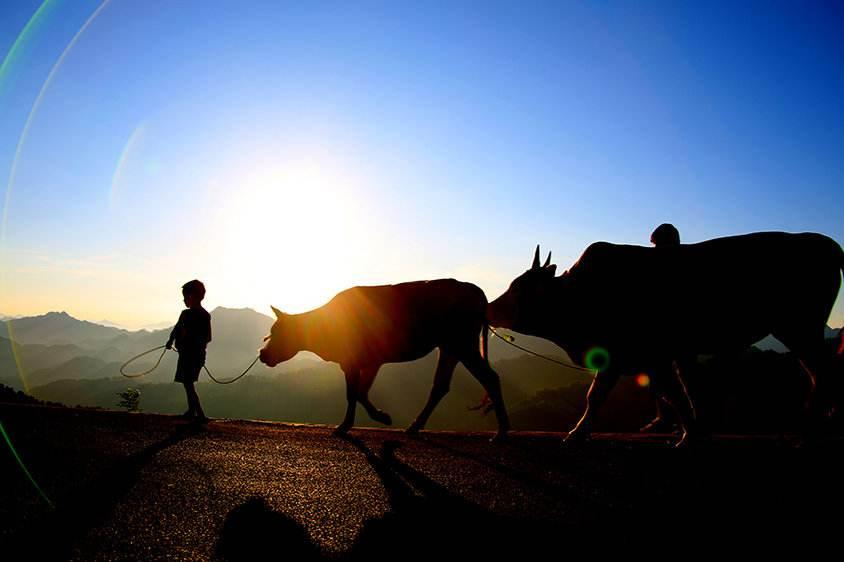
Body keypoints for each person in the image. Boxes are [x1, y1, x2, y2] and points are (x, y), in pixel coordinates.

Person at [166, 280, 212, 423]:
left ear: (191, 296)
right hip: (194, 354)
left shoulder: (189, 314)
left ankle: (199, 414)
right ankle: (193, 411)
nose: (184, 300)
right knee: (188, 383)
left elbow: (205, 337)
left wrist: (177, 341)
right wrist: (171, 340)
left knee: (188, 383)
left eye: (185, 296)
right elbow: (207, 338)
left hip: (190, 355)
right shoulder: (202, 315)